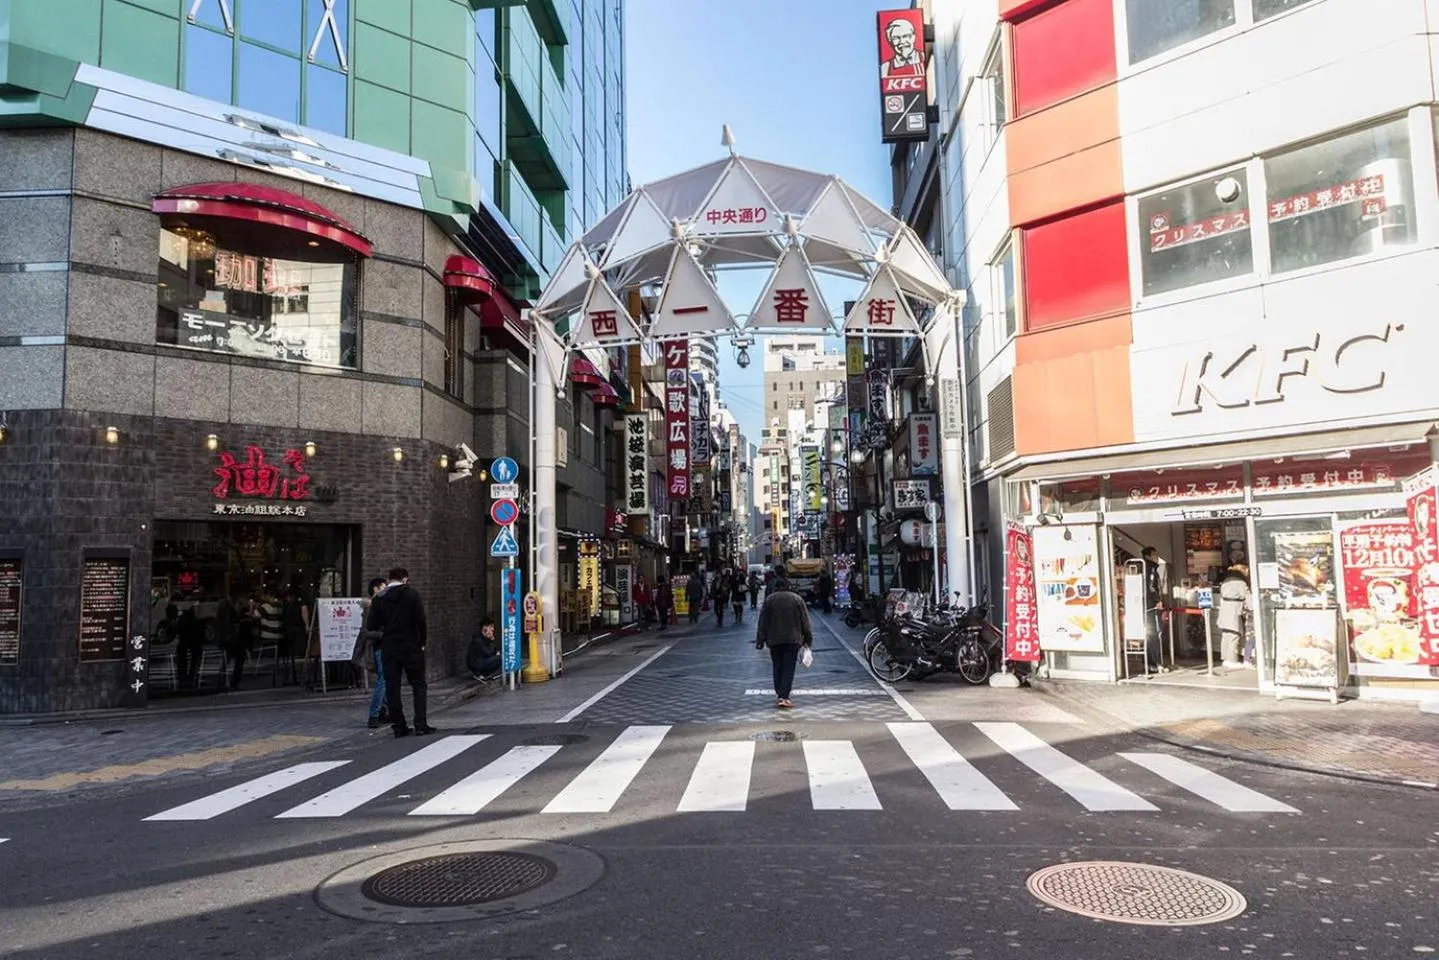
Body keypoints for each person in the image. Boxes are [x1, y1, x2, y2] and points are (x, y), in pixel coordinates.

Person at [367, 566, 434, 738]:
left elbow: (371, 625)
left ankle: (399, 726)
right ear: (404, 579)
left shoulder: (380, 598)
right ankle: (420, 724)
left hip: (389, 647)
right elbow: (421, 620)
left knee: (392, 687)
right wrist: (422, 642)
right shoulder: (412, 594)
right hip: (411, 646)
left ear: (389, 579)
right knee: (418, 684)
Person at [755, 572, 813, 709]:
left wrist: (760, 640)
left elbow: (762, 622)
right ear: (788, 587)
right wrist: (808, 639)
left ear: (776, 587)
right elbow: (805, 621)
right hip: (792, 639)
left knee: (777, 666)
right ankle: (784, 696)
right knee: (788, 668)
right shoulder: (797, 599)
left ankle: (780, 692)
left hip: (774, 640)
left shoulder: (769, 600)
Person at [356, 578, 389, 728]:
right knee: (383, 680)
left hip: (383, 646)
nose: (386, 589)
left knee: (385, 679)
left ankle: (382, 712)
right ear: (375, 589)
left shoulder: (380, 604)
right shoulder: (371, 607)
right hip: (379, 647)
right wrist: (384, 635)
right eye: (383, 587)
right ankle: (374, 715)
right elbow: (365, 632)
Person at [1217, 565, 1251, 669]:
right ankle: (1231, 660)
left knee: (1226, 635)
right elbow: (1248, 599)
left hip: (1224, 610)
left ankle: (1224, 658)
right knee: (1234, 636)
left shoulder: (1226, 581)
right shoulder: (1241, 583)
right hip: (1234, 610)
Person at [1142, 547, 1169, 676]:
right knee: (1153, 634)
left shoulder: (1142, 567)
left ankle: (1150, 663)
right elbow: (1151, 587)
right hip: (1151, 607)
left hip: (1144, 606)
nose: (1157, 557)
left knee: (1148, 634)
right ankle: (1156, 663)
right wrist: (1157, 600)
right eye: (1154, 554)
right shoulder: (1151, 568)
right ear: (1147, 556)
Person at [468, 617, 503, 681]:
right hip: (476, 664)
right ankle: (480, 673)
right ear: (485, 627)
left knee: (501, 656)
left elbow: (494, 651)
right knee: (502, 657)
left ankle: (484, 674)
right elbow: (488, 653)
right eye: (491, 626)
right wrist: (490, 640)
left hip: (482, 661)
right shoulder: (478, 639)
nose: (493, 629)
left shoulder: (484, 638)